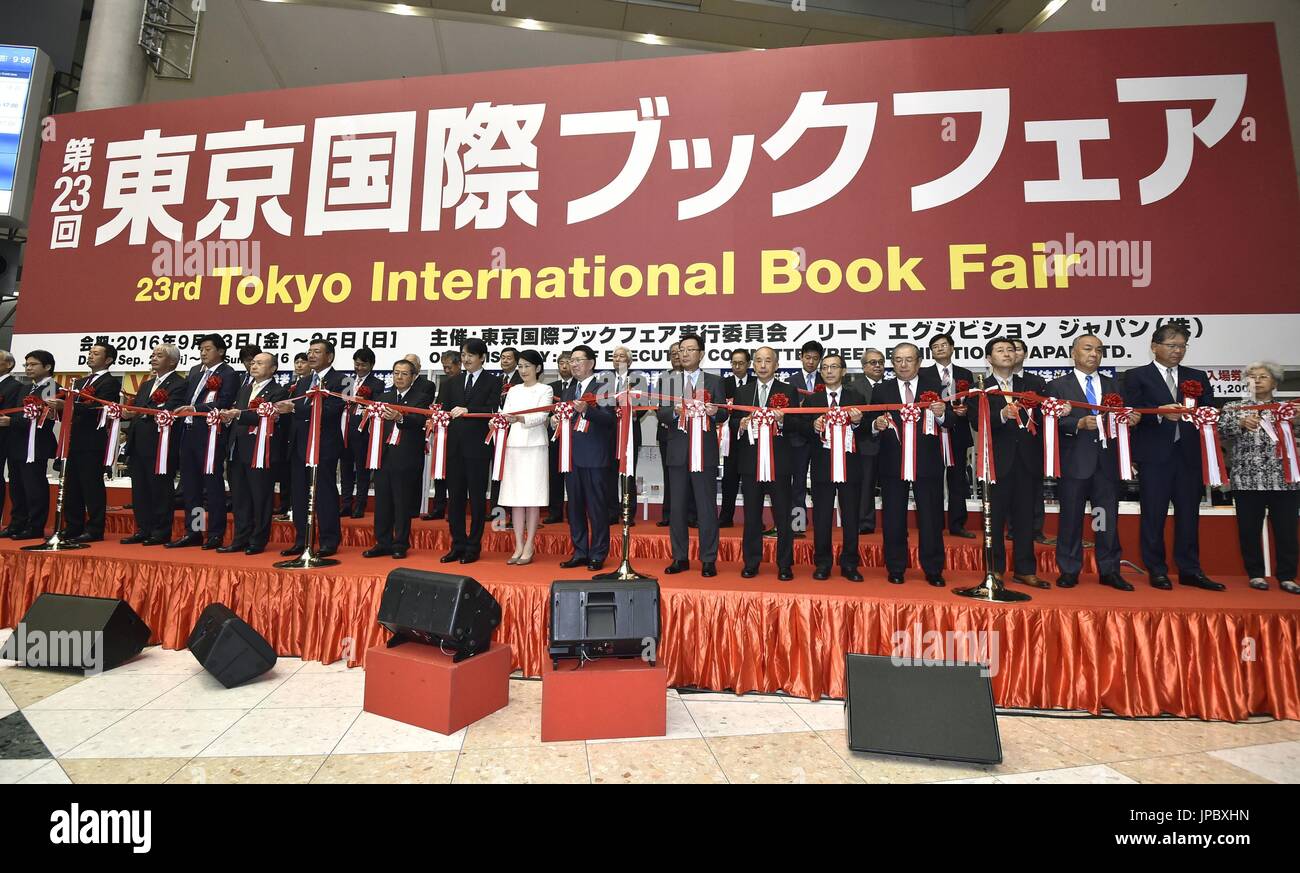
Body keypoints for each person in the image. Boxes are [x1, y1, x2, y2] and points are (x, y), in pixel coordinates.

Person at [1123, 324, 1223, 591]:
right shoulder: (1136, 376)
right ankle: (1156, 570)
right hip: (1154, 457)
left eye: (1182, 346)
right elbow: (1129, 413)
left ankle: (1190, 570)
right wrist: (1158, 412)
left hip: (1188, 455)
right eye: (1171, 345)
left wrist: (1202, 414)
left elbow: (1210, 410)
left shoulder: (1197, 377)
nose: (1177, 351)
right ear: (1154, 346)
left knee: (1189, 515)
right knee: (1153, 515)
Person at [1045, 334, 1139, 590]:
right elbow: (1049, 423)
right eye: (1088, 349)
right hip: (1074, 462)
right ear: (1073, 353)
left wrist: (1131, 419)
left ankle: (1109, 569)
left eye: (1099, 350)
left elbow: (1125, 415)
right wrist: (1076, 423)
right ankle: (1069, 569)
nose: (1094, 354)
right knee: (1071, 518)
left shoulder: (1114, 385)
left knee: (1104, 518)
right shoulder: (1057, 386)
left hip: (1106, 464)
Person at [867, 343, 950, 586]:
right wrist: (875, 425)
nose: (903, 365)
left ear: (919, 361)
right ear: (892, 363)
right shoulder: (883, 389)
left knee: (931, 517)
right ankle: (895, 567)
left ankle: (933, 569)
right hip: (893, 463)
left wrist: (941, 413)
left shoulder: (935, 387)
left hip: (928, 463)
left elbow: (951, 421)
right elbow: (870, 421)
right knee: (893, 518)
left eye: (908, 360)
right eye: (898, 360)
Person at [1219, 362, 1299, 593]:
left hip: (1284, 479)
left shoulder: (1289, 408)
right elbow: (1220, 430)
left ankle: (1287, 576)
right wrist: (1240, 423)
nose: (1257, 380)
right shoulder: (1234, 407)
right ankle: (1255, 574)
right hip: (1247, 479)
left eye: (1263, 376)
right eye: (1252, 377)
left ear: (1274, 382)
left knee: (1286, 531)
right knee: (1248, 530)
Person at [978, 338, 1048, 588]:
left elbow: (1044, 417)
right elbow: (976, 423)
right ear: (989, 358)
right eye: (1000, 350)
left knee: (1025, 518)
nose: (1007, 354)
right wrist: (1000, 415)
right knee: (994, 518)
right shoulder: (981, 387)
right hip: (997, 461)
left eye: (1010, 349)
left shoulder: (1032, 385)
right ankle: (995, 570)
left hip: (1027, 460)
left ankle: (1025, 569)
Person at [657, 333, 728, 577]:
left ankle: (708, 558)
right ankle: (680, 557)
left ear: (701, 353)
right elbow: (660, 414)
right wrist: (675, 412)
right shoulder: (668, 380)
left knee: (706, 507)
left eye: (690, 349)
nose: (684, 354)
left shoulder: (715, 381)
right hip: (677, 453)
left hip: (705, 453)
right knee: (677, 508)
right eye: (681, 350)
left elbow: (724, 415)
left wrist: (714, 411)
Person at [274, 338, 348, 558]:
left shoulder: (343, 380)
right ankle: (302, 540)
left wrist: (295, 409)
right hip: (299, 445)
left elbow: (332, 410)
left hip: (324, 446)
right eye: (309, 352)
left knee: (324, 492)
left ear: (330, 356)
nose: (311, 356)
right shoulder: (304, 381)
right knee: (298, 493)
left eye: (317, 352)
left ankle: (328, 540)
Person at [730, 346, 797, 580]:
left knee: (783, 517)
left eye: (768, 361)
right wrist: (742, 424)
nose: (763, 365)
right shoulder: (744, 392)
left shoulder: (789, 391)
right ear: (753, 364)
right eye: (758, 360)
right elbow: (732, 422)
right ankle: (751, 562)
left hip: (779, 463)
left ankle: (785, 564)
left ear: (776, 365)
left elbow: (800, 425)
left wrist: (784, 420)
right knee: (751, 516)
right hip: (750, 464)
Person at [799, 354, 868, 582]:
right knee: (822, 516)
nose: (829, 371)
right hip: (822, 466)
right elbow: (802, 431)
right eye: (825, 367)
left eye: (834, 367)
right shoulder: (812, 400)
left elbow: (867, 431)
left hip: (850, 466)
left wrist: (857, 422)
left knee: (850, 517)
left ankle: (850, 563)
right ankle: (823, 562)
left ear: (844, 371)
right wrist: (814, 425)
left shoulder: (856, 397)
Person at [168, 334, 238, 549]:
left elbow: (224, 401)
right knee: (191, 487)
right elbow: (186, 399)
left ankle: (216, 533)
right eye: (201, 349)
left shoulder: (229, 373)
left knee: (212, 485)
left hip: (210, 435)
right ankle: (195, 531)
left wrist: (195, 409)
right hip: (188, 433)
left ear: (221, 351)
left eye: (208, 349)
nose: (203, 353)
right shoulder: (195, 372)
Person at [438, 338, 501, 565]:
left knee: (476, 499)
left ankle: (473, 546)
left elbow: (492, 409)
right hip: (454, 448)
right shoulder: (450, 383)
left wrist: (468, 409)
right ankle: (457, 545)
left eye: (470, 355)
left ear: (482, 357)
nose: (465, 359)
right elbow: (442, 410)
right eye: (463, 355)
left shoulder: (493, 381)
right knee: (454, 499)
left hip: (478, 449)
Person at [50, 342, 120, 543]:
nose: (90, 356)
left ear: (108, 360)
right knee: (72, 485)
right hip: (73, 439)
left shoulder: (110, 382)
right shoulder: (79, 382)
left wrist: (70, 406)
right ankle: (73, 526)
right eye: (89, 352)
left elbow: (98, 408)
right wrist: (59, 407)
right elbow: (69, 409)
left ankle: (95, 528)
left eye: (96, 353)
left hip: (92, 440)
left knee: (91, 485)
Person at [219, 353, 288, 555]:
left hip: (261, 452)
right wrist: (228, 418)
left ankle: (258, 540)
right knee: (239, 497)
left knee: (261, 497)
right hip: (238, 448)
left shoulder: (279, 391)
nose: (253, 365)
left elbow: (266, 416)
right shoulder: (245, 388)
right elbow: (238, 414)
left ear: (273, 368)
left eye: (259, 363)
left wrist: (238, 414)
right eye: (253, 362)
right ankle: (240, 538)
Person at [363, 359, 432, 560]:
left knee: (402, 502)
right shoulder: (384, 396)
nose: (399, 377)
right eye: (396, 373)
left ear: (413, 377)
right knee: (382, 501)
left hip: (406, 457)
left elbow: (419, 421)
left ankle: (400, 543)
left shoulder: (421, 398)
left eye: (404, 374)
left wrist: (399, 417)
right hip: (384, 456)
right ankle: (382, 542)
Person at [120, 343, 187, 546]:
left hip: (160, 444)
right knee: (139, 489)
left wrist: (140, 412)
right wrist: (129, 412)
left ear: (173, 361)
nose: (153, 358)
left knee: (159, 489)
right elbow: (140, 408)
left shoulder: (179, 383)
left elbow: (170, 409)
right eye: (153, 354)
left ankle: (160, 531)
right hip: (138, 442)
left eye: (159, 355)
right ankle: (143, 528)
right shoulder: (148, 384)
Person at [556, 345, 614, 571]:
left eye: (579, 360)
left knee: (597, 508)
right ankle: (580, 551)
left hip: (595, 457)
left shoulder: (604, 387)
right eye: (572, 360)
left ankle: (598, 553)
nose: (574, 364)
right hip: (571, 457)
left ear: (591, 363)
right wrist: (556, 422)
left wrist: (586, 411)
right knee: (575, 507)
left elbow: (609, 420)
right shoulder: (569, 390)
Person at [498, 350, 552, 564]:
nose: (523, 370)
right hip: (514, 446)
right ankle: (518, 545)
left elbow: (541, 416)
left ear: (538, 368)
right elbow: (505, 412)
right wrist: (499, 421)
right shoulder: (513, 390)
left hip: (535, 446)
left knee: (532, 498)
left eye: (527, 366)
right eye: (520, 366)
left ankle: (530, 545)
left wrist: (520, 418)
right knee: (516, 498)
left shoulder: (545, 389)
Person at [926, 333, 976, 538]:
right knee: (932, 480)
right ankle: (933, 523)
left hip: (958, 433)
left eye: (943, 345)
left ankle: (957, 524)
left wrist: (966, 411)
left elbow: (973, 403)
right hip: (933, 434)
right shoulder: (924, 373)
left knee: (958, 480)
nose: (939, 349)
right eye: (935, 346)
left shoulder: (965, 373)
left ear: (952, 348)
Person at [7, 351, 58, 539]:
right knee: (16, 485)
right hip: (17, 443)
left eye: (33, 364)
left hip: (36, 445)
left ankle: (35, 526)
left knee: (34, 486)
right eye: (26, 365)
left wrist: (10, 422)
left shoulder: (52, 387)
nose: (28, 368)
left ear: (47, 367)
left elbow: (40, 418)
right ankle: (17, 522)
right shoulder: (24, 388)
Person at [1011, 338, 1052, 545]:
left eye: (1017, 349)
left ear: (1025, 354)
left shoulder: (1036, 382)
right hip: (1007, 445)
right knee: (1009, 489)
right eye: (1009, 349)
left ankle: (1036, 529)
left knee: (1034, 489)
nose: (1013, 353)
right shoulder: (994, 383)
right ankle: (1011, 528)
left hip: (1032, 443)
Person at [340, 347, 386, 518]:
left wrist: (364, 402)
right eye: (356, 364)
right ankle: (345, 504)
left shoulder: (377, 383)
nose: (359, 368)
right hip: (345, 430)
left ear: (371, 365)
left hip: (362, 431)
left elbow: (377, 406)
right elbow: (342, 403)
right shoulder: (347, 381)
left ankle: (360, 505)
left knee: (362, 471)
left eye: (363, 365)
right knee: (345, 469)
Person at [656, 341, 697, 528]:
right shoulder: (665, 379)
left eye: (679, 352)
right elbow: (660, 409)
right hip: (669, 434)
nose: (677, 356)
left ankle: (692, 515)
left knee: (695, 474)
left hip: (696, 434)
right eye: (673, 353)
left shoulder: (700, 379)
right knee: (670, 476)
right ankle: (668, 514)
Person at [604, 345, 646, 525]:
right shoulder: (604, 379)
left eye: (621, 356)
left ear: (629, 360)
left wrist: (632, 412)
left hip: (629, 433)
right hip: (608, 433)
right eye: (614, 356)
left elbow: (644, 404)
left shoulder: (638, 379)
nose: (617, 359)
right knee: (609, 474)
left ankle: (628, 513)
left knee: (628, 473)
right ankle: (611, 512)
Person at [787, 340, 824, 529]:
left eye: (815, 359)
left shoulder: (825, 380)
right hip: (797, 438)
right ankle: (798, 523)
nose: (811, 362)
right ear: (801, 357)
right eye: (807, 357)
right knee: (798, 483)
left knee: (820, 483)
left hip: (820, 438)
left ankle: (821, 521)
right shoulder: (791, 381)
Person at [422, 350, 460, 520]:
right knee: (439, 470)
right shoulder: (444, 384)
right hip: (442, 434)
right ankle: (438, 507)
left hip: (459, 436)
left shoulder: (465, 382)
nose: (446, 371)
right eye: (444, 367)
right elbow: (441, 406)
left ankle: (454, 509)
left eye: (449, 367)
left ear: (459, 364)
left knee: (455, 474)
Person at [719, 347, 752, 528]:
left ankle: (753, 519)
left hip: (752, 440)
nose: (737, 366)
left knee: (751, 483)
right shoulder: (723, 384)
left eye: (741, 363)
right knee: (729, 480)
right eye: (734, 363)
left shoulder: (756, 382)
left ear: (748, 364)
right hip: (729, 438)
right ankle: (725, 517)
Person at [275, 353, 310, 518]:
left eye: (303, 362)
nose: (300, 365)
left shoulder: (311, 386)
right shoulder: (288, 386)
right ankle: (284, 504)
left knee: (301, 476)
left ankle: (299, 509)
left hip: (303, 433)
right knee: (285, 470)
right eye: (297, 362)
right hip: (285, 432)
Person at [855, 348, 885, 535]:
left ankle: (893, 522)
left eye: (880, 362)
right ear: (863, 366)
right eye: (872, 362)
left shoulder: (891, 385)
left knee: (891, 485)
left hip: (891, 444)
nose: (877, 366)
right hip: (865, 443)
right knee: (866, 486)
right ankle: (865, 522)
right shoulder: (853, 388)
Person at [0, 351, 28, 537]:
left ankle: (16, 521)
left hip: (5, 438)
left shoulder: (15, 386)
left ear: (8, 365)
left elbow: (16, 413)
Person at [544, 350, 573, 525]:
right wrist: (551, 419)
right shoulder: (551, 387)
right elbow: (543, 412)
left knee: (573, 477)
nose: (564, 365)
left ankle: (573, 512)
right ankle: (555, 512)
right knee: (554, 476)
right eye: (561, 362)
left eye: (568, 362)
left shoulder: (579, 385)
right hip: (554, 437)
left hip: (573, 438)